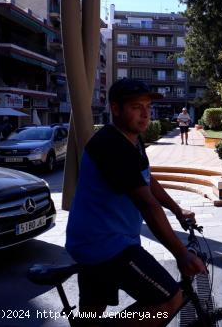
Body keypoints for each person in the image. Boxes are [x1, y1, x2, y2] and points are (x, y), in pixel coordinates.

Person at [65, 78, 206, 327]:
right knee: (169, 301)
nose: (145, 114)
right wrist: (181, 253)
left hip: (96, 239)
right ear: (115, 109)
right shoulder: (111, 146)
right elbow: (147, 205)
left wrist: (176, 208)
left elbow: (147, 179)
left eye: (148, 107)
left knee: (91, 315)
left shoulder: (130, 138)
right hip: (106, 244)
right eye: (136, 107)